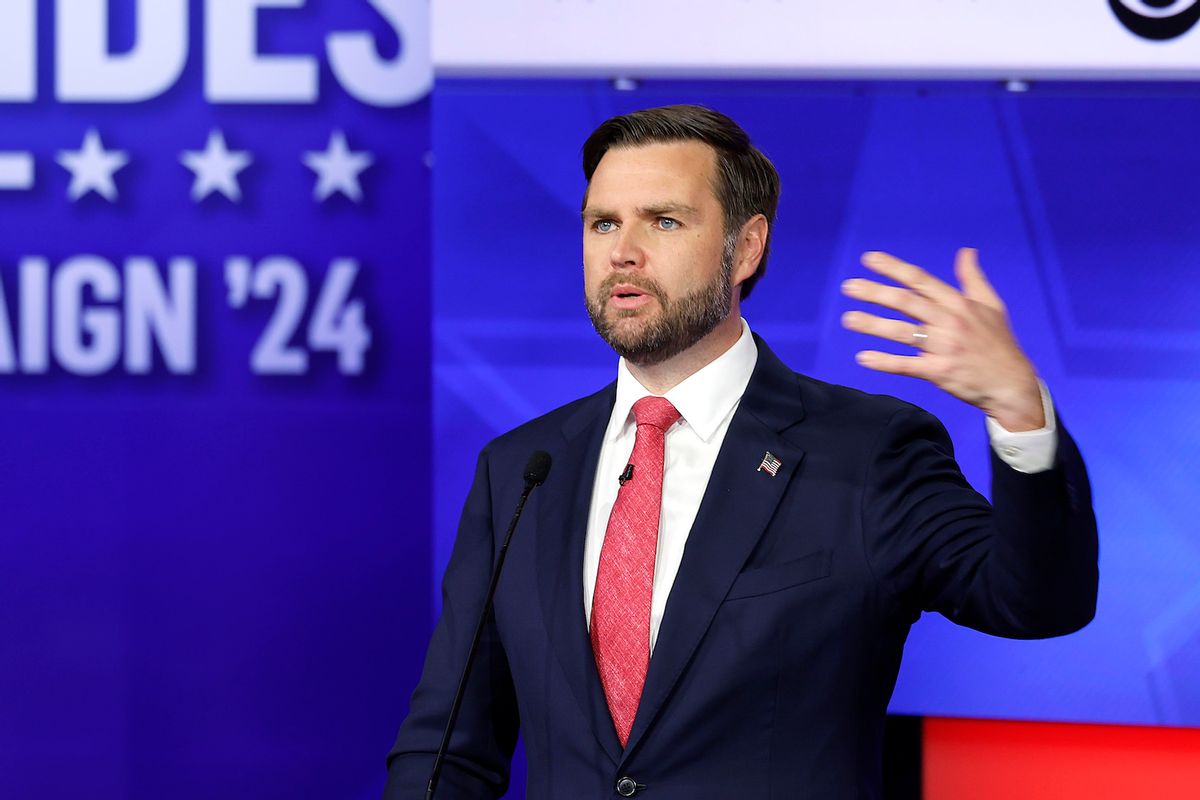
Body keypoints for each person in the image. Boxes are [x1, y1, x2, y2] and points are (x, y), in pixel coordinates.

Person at [384, 105, 1098, 799]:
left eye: (664, 220)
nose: (622, 251)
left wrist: (1018, 411)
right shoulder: (523, 468)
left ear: (746, 247)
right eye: (604, 222)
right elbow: (447, 747)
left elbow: (1036, 601)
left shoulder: (866, 450)